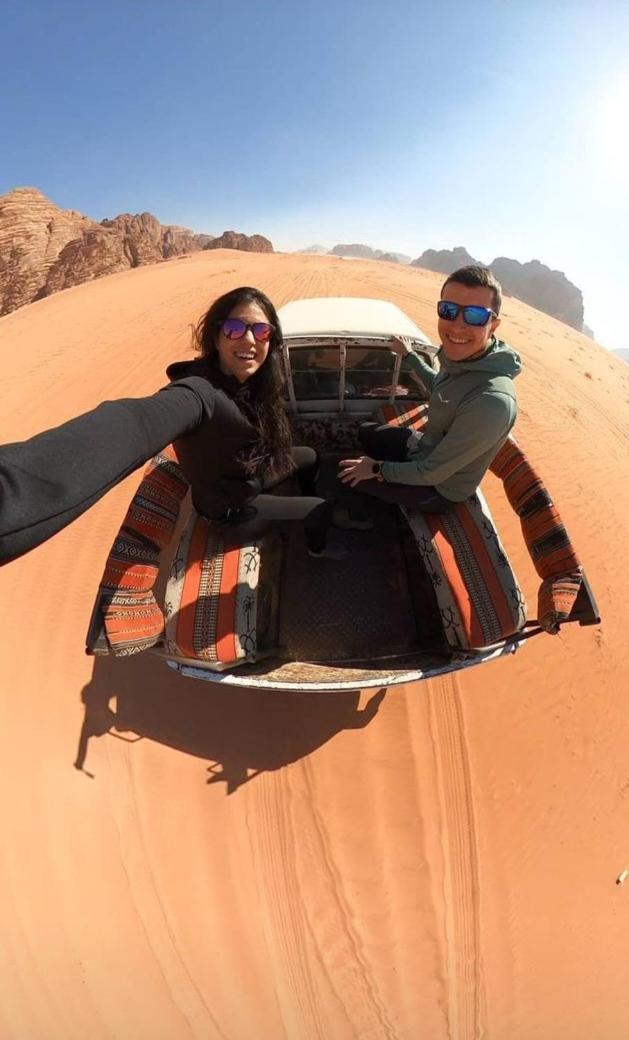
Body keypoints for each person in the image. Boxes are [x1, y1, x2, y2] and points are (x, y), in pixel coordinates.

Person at [338, 265, 521, 513]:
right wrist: (411, 355)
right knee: (366, 432)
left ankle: (363, 519)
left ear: (494, 325)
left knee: (345, 479)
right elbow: (439, 386)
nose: (457, 326)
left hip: (440, 488)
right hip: (424, 449)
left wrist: (375, 468)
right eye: (448, 310)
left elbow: (432, 473)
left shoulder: (491, 401)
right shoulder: (462, 360)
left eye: (475, 316)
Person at [0, 376, 216, 565]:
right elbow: (140, 423)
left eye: (253, 332)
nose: (249, 339)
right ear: (215, 338)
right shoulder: (201, 391)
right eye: (232, 327)